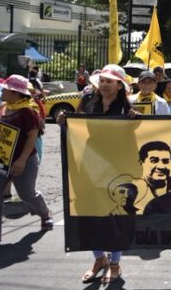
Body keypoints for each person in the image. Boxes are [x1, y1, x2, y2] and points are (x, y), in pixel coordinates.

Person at [60, 64, 138, 284]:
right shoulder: (88, 102)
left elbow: (135, 135)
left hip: (116, 166)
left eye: (109, 81)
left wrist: (135, 120)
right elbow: (75, 122)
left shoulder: (127, 108)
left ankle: (115, 263)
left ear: (119, 85)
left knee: (115, 215)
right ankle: (98, 259)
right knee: (89, 211)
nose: (104, 84)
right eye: (102, 80)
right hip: (90, 163)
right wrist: (65, 120)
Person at [0, 75, 53, 249]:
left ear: (15, 93)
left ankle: (45, 213)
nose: (2, 91)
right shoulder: (1, 107)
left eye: (5, 89)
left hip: (23, 160)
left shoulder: (28, 111)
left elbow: (32, 137)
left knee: (27, 194)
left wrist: (21, 161)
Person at [136, 141, 171, 208]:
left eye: (165, 161)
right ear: (141, 163)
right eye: (154, 161)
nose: (161, 166)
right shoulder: (132, 193)